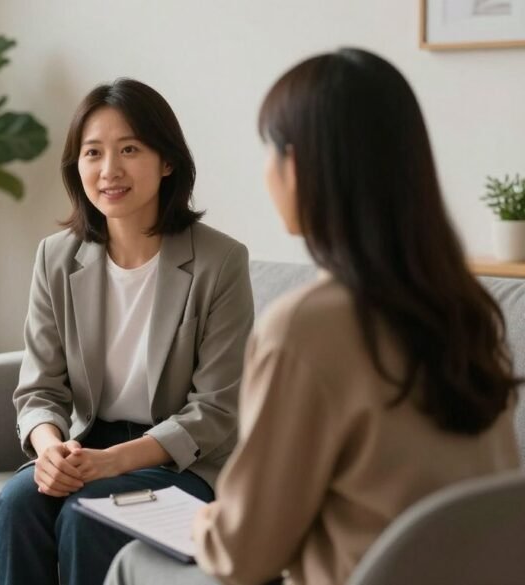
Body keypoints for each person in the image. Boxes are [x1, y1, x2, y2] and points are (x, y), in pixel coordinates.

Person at [105, 48, 521, 585]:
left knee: (133, 565)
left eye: (270, 151)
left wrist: (209, 520)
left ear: (300, 166)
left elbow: (243, 556)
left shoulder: (307, 329)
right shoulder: (469, 311)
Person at [0, 78, 255, 585]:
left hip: (180, 461)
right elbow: (39, 388)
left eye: (129, 149)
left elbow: (217, 408)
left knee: (87, 516)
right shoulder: (56, 257)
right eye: (93, 153)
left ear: (167, 161)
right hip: (85, 445)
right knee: (19, 503)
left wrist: (114, 462)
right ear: (78, 167)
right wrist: (50, 453)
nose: (109, 169)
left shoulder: (220, 262)